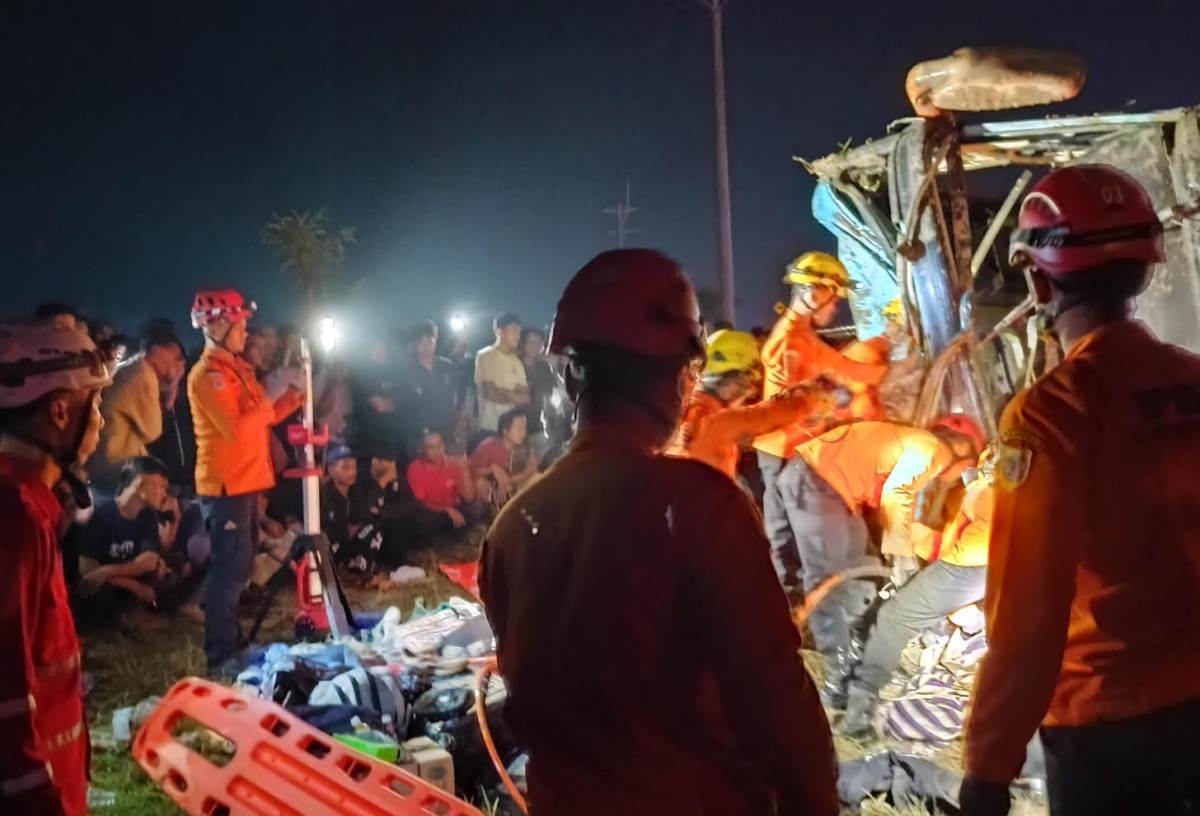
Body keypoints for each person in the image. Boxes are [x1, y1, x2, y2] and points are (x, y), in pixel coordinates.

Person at [480, 249, 839, 816]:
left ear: (572, 380)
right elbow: (777, 702)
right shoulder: (701, 507)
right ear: (680, 378)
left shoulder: (510, 530)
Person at [960, 166, 1200, 816]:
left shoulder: (1049, 415)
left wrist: (988, 768)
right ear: (1145, 270)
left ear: (1038, 279)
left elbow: (1026, 613)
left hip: (1107, 726)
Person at [783, 416, 984, 707]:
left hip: (814, 477)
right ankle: (834, 684)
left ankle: (819, 659)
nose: (960, 476)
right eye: (966, 467)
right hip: (820, 483)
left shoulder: (910, 445)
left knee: (845, 577)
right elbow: (897, 493)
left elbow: (898, 514)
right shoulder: (933, 450)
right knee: (849, 585)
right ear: (962, 450)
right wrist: (902, 557)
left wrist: (919, 547)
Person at [0, 322, 111, 815]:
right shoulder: (13, 518)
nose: (102, 422)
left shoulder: (30, 506)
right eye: (97, 403)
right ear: (60, 410)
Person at [753, 252, 889, 595]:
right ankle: (791, 601)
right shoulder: (789, 340)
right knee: (787, 535)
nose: (837, 307)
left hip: (794, 448)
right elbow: (791, 396)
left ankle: (800, 596)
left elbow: (845, 368)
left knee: (798, 533)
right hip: (781, 450)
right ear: (814, 292)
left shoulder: (804, 337)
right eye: (834, 296)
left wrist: (892, 360)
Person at [840, 446, 995, 738]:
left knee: (895, 619)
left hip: (974, 562)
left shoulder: (981, 489)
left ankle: (860, 712)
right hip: (997, 566)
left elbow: (959, 546)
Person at [188, 289, 304, 672]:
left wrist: (296, 397)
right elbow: (238, 427)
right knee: (230, 568)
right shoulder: (209, 376)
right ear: (218, 325)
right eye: (240, 326)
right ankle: (220, 653)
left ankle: (233, 643)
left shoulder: (236, 369)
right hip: (226, 487)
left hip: (246, 483)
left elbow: (264, 415)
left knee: (240, 563)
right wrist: (273, 395)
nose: (245, 334)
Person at [665, 328, 840, 478]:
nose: (749, 391)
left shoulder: (678, 410)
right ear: (737, 380)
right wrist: (809, 396)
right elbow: (763, 417)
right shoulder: (714, 420)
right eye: (748, 382)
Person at [76, 456, 191, 612]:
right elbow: (88, 571)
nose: (165, 494)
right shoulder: (100, 513)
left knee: (173, 569)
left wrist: (105, 571)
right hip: (106, 585)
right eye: (161, 487)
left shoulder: (148, 516)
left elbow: (149, 561)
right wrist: (134, 586)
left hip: (114, 576)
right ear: (139, 483)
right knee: (101, 592)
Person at [90, 326, 186, 488]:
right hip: (116, 468)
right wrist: (171, 390)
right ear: (160, 351)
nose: (176, 365)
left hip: (104, 462)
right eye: (174, 357)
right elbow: (153, 431)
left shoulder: (131, 368)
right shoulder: (143, 376)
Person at [395, 321, 458, 447]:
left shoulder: (446, 366)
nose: (426, 346)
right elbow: (403, 403)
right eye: (421, 342)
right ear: (415, 344)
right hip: (418, 433)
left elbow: (454, 396)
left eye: (430, 340)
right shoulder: (406, 370)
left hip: (445, 429)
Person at [407, 428, 479, 532]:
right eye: (431, 447)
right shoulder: (415, 468)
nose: (438, 450)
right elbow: (421, 501)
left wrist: (464, 470)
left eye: (440, 444)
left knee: (476, 508)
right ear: (422, 449)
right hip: (432, 510)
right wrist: (446, 509)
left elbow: (469, 497)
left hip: (454, 507)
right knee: (423, 519)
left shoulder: (453, 463)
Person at [470, 407, 539, 510]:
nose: (523, 433)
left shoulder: (524, 445)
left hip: (514, 485)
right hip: (492, 488)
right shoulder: (489, 446)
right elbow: (471, 470)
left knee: (537, 478)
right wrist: (493, 469)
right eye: (519, 429)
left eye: (525, 429)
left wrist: (509, 481)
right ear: (505, 431)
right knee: (481, 484)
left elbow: (532, 467)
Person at [475, 313, 529, 433]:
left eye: (519, 332)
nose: (518, 336)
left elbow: (525, 397)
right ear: (499, 331)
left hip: (511, 429)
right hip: (489, 425)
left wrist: (502, 390)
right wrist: (514, 395)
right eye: (514, 330)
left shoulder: (516, 361)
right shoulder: (485, 355)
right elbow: (490, 393)